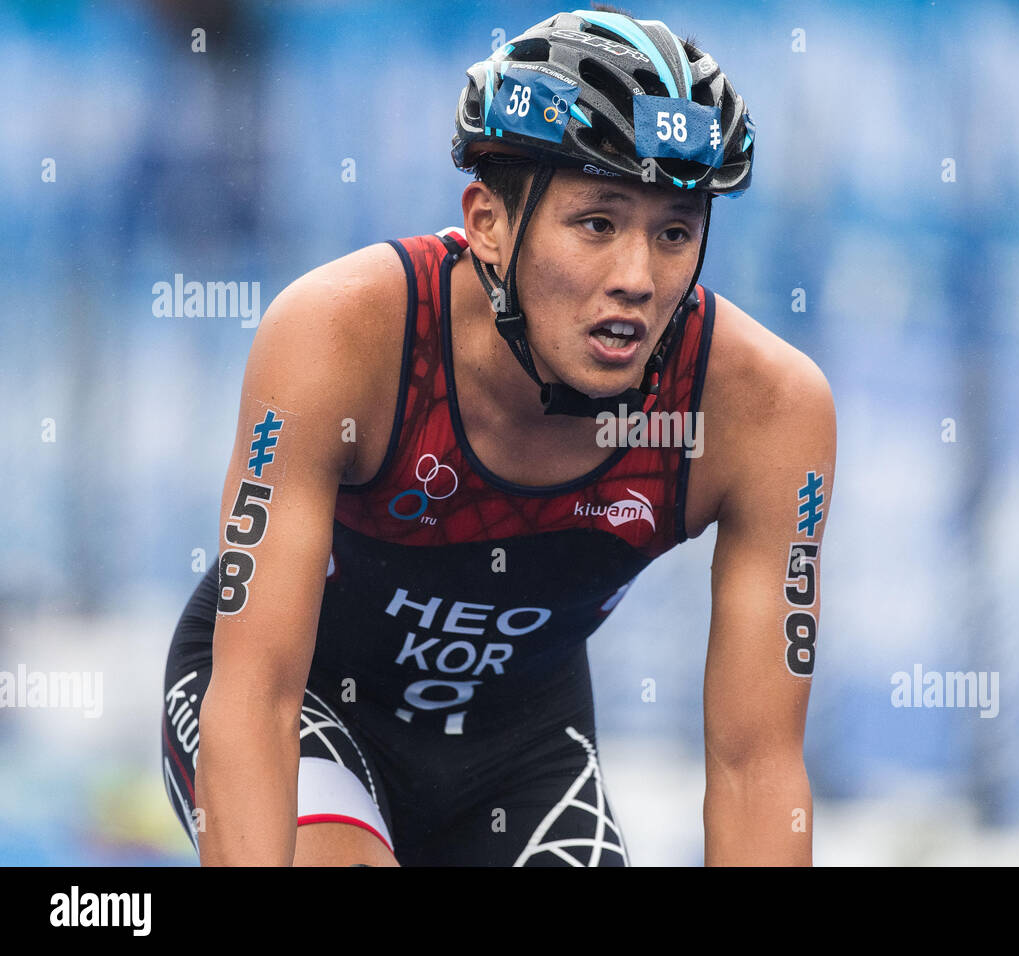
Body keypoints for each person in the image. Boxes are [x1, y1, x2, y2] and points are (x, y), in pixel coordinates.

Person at [161, 5, 835, 866]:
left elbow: (757, 769)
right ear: (487, 221)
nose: (636, 278)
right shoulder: (342, 337)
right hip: (302, 703)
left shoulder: (765, 410)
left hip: (518, 746)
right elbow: (255, 696)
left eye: (675, 232)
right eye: (598, 223)